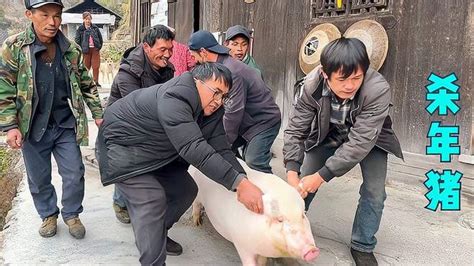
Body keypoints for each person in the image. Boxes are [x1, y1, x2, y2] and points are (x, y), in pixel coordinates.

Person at [97, 63, 264, 265]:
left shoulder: (210, 110)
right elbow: (193, 147)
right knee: (152, 198)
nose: (219, 101)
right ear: (196, 81)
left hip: (154, 152)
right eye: (216, 92)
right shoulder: (175, 97)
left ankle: (155, 236)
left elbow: (220, 148)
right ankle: (153, 259)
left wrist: (242, 179)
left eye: (224, 96)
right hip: (122, 147)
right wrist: (239, 184)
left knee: (185, 190)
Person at [283, 37, 404, 266]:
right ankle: (291, 230)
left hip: (370, 140)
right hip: (327, 133)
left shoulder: (377, 89)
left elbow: (359, 143)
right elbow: (296, 129)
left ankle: (363, 245)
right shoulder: (311, 85)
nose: (350, 85)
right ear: (325, 74)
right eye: (342, 79)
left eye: (356, 77)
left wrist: (321, 177)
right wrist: (292, 173)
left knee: (375, 191)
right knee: (300, 186)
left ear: (365, 72)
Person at [0, 0, 103, 239]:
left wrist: (98, 113)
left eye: (57, 15)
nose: (52, 22)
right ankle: (48, 214)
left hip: (64, 122)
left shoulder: (70, 49)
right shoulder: (14, 47)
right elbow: (4, 88)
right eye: (44, 15)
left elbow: (87, 85)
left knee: (75, 171)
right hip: (32, 125)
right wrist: (10, 126)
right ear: (29, 15)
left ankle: (72, 214)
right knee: (39, 176)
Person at [105, 25, 175, 224]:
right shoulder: (128, 74)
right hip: (123, 122)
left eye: (170, 49)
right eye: (162, 50)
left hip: (151, 116)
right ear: (147, 47)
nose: (167, 55)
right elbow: (134, 110)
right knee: (129, 160)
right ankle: (120, 202)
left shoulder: (167, 68)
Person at [188, 30, 281, 174]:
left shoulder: (231, 71)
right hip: (247, 120)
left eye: (195, 56)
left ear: (203, 52)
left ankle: (271, 194)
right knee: (227, 153)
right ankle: (240, 184)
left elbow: (233, 112)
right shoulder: (220, 65)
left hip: (263, 121)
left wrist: (223, 143)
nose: (195, 60)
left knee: (254, 161)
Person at [74, 11, 103, 87]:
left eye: (89, 19)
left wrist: (98, 47)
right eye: (86, 19)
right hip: (86, 50)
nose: (88, 21)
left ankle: (96, 82)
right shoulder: (80, 29)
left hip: (95, 49)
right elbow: (77, 40)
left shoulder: (95, 28)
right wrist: (81, 49)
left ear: (91, 19)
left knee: (96, 66)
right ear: (83, 19)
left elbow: (100, 39)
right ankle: (86, 83)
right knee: (86, 67)